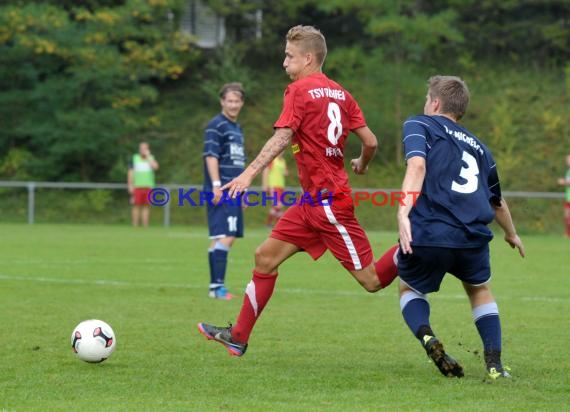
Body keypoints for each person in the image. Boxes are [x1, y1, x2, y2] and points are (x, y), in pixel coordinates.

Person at [197, 25, 399, 356]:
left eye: (289, 56)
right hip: (311, 203)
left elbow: (282, 136)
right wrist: (362, 163)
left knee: (372, 280)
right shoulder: (342, 93)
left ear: (308, 58)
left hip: (329, 203)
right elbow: (371, 141)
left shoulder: (299, 91)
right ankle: (238, 336)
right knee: (264, 257)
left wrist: (248, 174)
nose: (284, 63)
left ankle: (417, 243)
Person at [395, 75, 525, 379]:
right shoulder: (481, 149)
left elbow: (417, 166)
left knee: (409, 287)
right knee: (479, 290)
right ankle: (494, 365)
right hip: (472, 237)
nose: (425, 104)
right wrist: (512, 233)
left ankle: (428, 337)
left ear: (436, 103)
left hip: (429, 232)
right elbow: (497, 202)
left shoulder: (419, 124)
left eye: (428, 99)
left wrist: (403, 211)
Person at [203, 82, 247, 300]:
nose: (233, 104)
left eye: (237, 101)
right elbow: (211, 156)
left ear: (241, 103)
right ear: (222, 102)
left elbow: (238, 163)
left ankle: (214, 287)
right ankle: (218, 287)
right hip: (223, 189)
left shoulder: (236, 128)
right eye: (229, 100)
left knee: (219, 237)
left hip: (235, 190)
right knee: (227, 236)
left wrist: (243, 191)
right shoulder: (216, 125)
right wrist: (216, 185)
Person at [127, 141, 159, 227]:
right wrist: (130, 185)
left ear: (148, 149)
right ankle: (135, 224)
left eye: (145, 148)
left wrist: (149, 157)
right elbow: (130, 172)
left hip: (148, 186)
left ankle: (145, 225)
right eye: (141, 148)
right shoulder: (134, 158)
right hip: (137, 186)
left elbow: (155, 167)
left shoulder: (151, 158)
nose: (143, 150)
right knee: (136, 205)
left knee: (146, 206)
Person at [262, 151, 289, 227]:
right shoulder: (273, 160)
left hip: (281, 186)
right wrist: (265, 185)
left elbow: (286, 171)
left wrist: (285, 172)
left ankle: (274, 225)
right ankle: (270, 223)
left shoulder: (283, 161)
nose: (281, 153)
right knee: (277, 205)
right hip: (273, 186)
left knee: (280, 207)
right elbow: (265, 171)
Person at [557, 154, 570, 238]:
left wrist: (563, 181)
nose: (567, 161)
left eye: (569, 160)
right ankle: (568, 234)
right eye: (567, 160)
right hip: (568, 197)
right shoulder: (568, 171)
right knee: (566, 216)